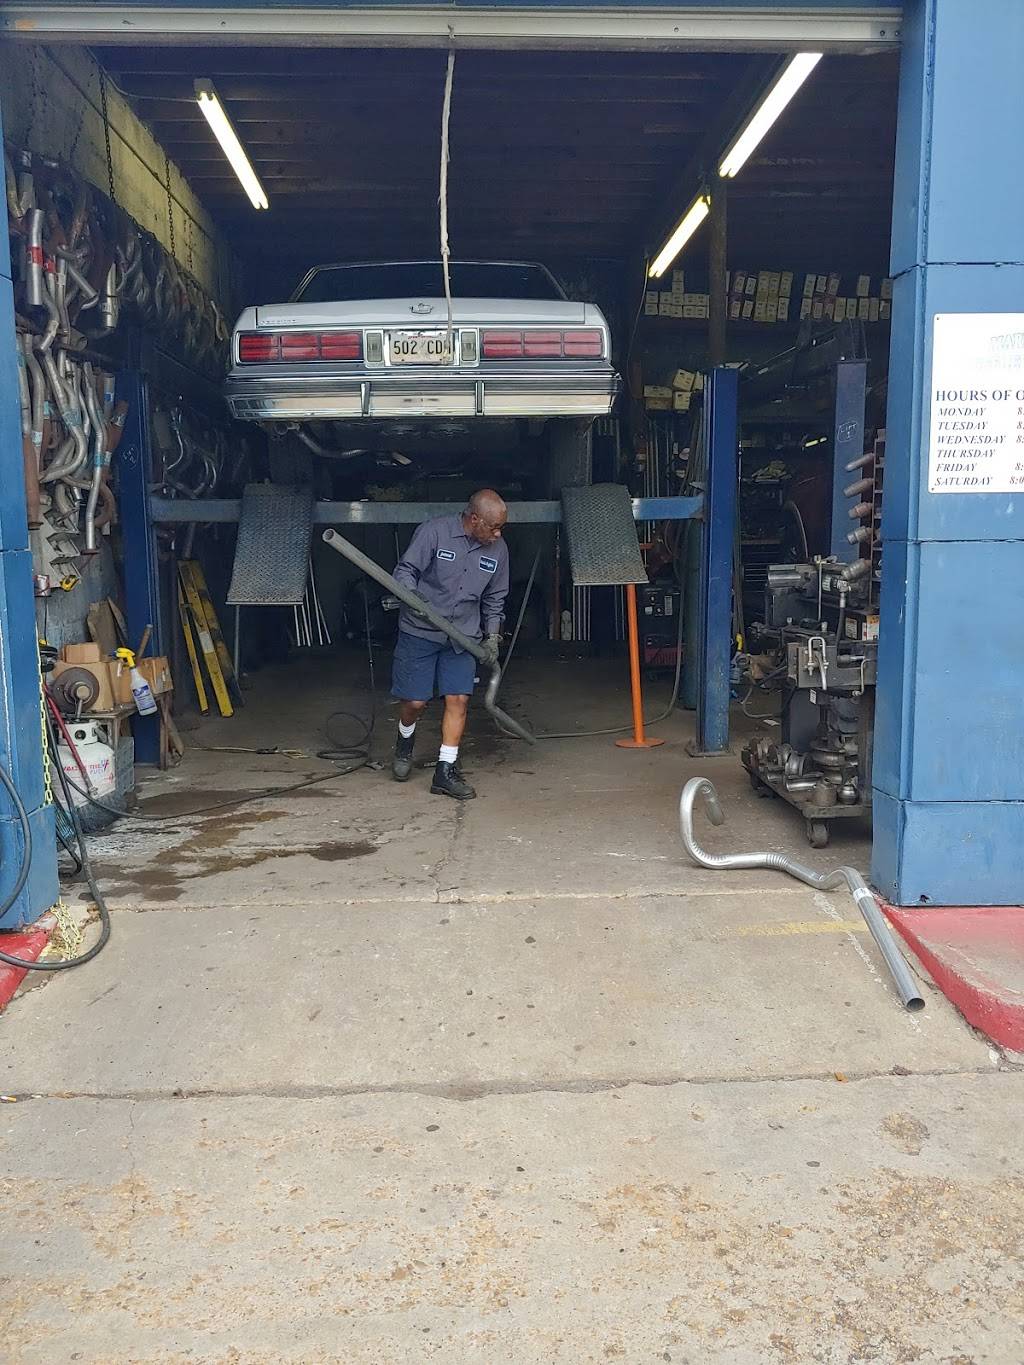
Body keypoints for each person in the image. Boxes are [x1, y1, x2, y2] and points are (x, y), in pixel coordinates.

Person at [390, 489, 509, 800]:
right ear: (474, 519)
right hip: (421, 630)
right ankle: (405, 741)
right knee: (415, 703)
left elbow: (495, 599)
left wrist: (493, 636)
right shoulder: (434, 533)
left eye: (501, 528)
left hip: (462, 637)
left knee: (459, 700)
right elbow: (406, 571)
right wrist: (410, 594)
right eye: (493, 527)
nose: (497, 535)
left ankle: (445, 770)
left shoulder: (498, 551)